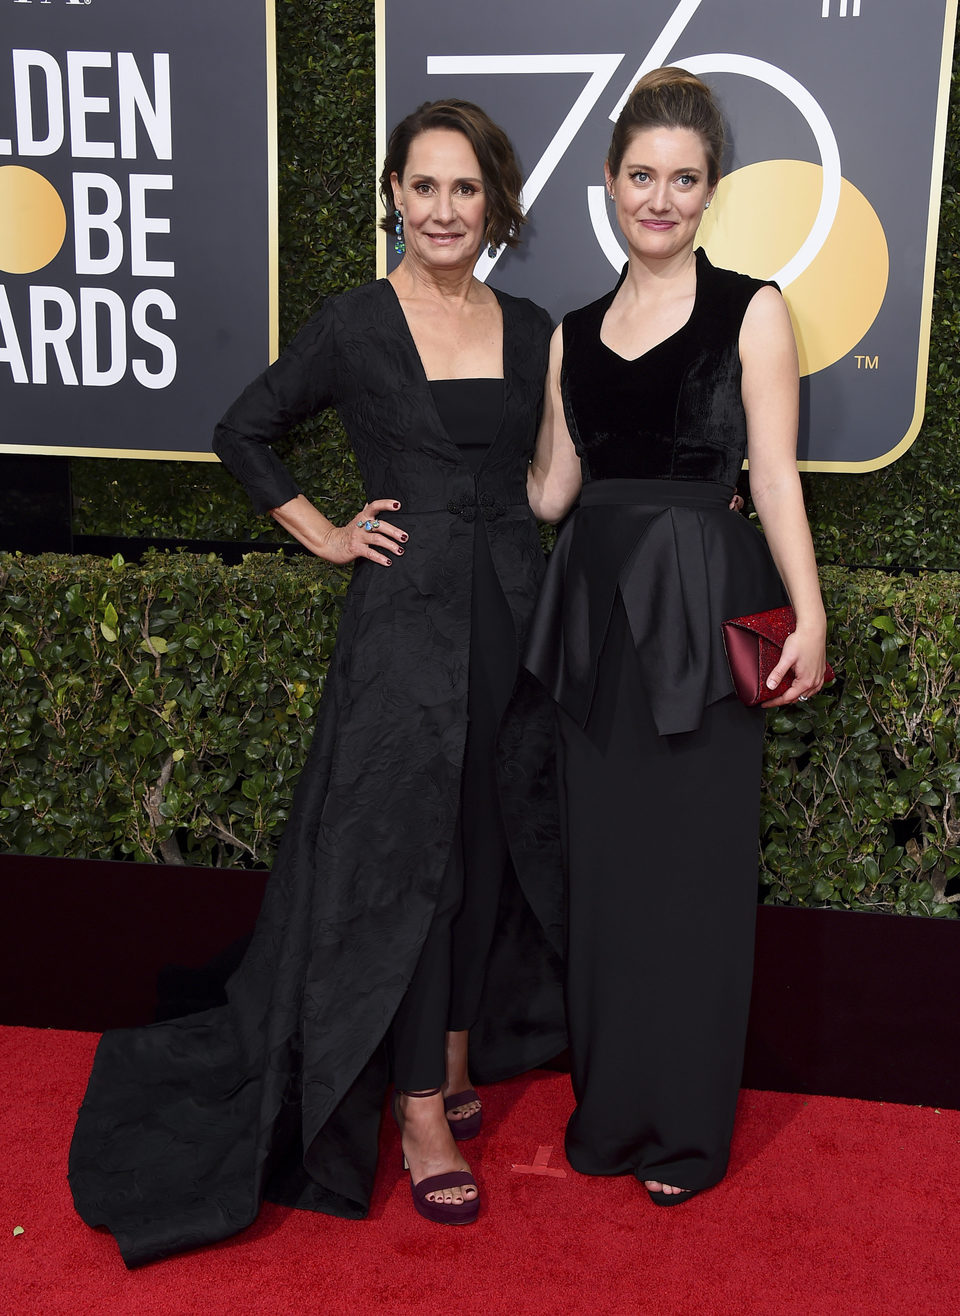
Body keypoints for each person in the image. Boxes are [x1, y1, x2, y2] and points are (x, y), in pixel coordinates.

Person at [68, 99, 565, 1264]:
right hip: (403, 631)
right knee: (412, 860)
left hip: (511, 612)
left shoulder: (533, 324)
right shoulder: (355, 322)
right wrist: (325, 531)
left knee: (492, 840)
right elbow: (244, 429)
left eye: (466, 189)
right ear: (393, 193)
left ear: (493, 204)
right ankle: (412, 1109)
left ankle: (450, 1048)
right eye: (424, 186)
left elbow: (557, 469)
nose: (444, 209)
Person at [525, 67, 828, 1205]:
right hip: (595, 620)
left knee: (693, 881)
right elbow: (553, 491)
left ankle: (688, 1132)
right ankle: (609, 1113)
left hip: (704, 612)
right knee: (605, 879)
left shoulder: (753, 307)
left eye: (683, 180)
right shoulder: (569, 335)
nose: (660, 197)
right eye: (641, 175)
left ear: (712, 192)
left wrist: (810, 610)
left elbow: (777, 476)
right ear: (609, 183)